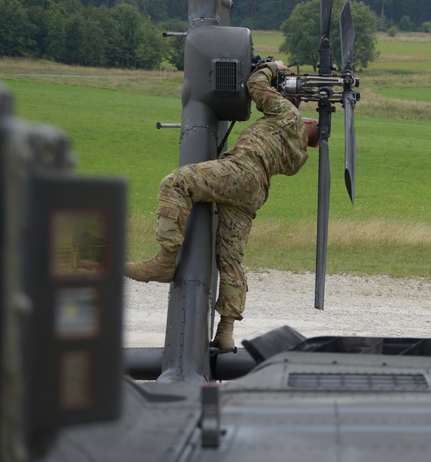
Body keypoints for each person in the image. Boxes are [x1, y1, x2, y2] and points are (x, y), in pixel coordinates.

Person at [125, 60, 319, 351]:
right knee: (230, 259)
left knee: (175, 183)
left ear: (307, 123)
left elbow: (255, 86)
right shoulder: (298, 156)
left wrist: (272, 67)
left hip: (240, 172)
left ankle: (165, 260)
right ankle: (226, 332)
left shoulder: (289, 115)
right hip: (254, 193)